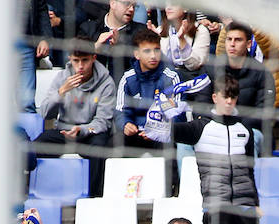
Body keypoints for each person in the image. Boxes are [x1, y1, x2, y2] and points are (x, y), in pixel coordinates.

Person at [170, 74, 261, 224]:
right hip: (216, 210)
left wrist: (255, 203)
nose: (229, 102)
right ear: (214, 97)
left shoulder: (245, 131)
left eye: (233, 97)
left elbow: (250, 171)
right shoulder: (200, 127)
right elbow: (164, 132)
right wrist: (165, 109)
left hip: (243, 211)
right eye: (225, 97)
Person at [35, 42, 115, 197]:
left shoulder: (106, 82)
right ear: (69, 59)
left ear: (93, 58)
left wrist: (82, 130)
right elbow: (46, 113)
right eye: (76, 61)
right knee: (35, 146)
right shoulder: (62, 78)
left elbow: (103, 121)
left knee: (100, 150)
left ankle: (93, 198)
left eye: (85, 60)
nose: (80, 66)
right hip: (64, 131)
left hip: (91, 133)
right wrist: (61, 92)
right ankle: (42, 193)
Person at [114, 27, 182, 190]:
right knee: (113, 143)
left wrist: (156, 129)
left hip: (161, 134)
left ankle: (170, 191)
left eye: (156, 50)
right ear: (137, 54)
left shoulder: (170, 77)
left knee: (168, 144)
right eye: (147, 51)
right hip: (137, 134)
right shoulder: (128, 78)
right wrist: (126, 125)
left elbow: (176, 115)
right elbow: (121, 111)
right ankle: (114, 191)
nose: (153, 56)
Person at [211, 21, 273, 137]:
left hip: (249, 130)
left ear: (249, 44)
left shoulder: (262, 73)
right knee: (185, 143)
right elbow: (201, 102)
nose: (232, 44)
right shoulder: (212, 68)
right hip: (215, 128)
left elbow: (263, 113)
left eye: (238, 40)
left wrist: (234, 126)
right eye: (229, 39)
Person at [78, 0, 135, 83]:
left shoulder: (140, 32)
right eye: (126, 4)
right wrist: (94, 48)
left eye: (134, 6)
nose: (131, 9)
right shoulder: (88, 28)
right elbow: (75, 59)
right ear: (113, 3)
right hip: (91, 88)